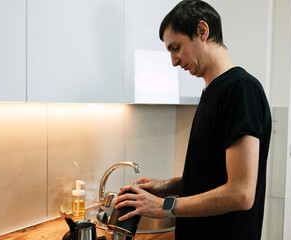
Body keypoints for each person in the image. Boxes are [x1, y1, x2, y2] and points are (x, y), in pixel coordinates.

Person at [114, 0, 272, 239]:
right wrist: (168, 186)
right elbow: (214, 175)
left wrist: (164, 206)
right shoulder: (212, 90)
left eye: (176, 47)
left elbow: (241, 193)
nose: (174, 61)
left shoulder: (240, 90)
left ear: (202, 31)